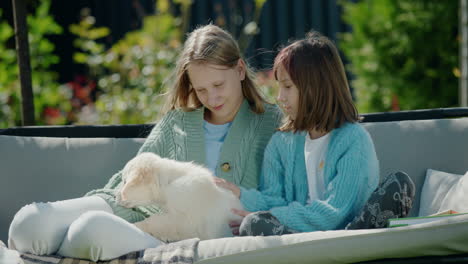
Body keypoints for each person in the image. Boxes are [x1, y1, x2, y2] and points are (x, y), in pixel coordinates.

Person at [8, 24, 282, 261]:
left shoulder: (273, 123)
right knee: (28, 224)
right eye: (201, 89)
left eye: (218, 85)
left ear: (241, 70)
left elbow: (284, 196)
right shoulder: (177, 122)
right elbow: (131, 178)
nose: (211, 97)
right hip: (128, 208)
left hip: (176, 236)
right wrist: (114, 199)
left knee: (90, 230)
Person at [216, 31, 415, 236]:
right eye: (278, 87)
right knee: (253, 223)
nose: (279, 97)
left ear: (315, 88)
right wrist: (242, 196)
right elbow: (274, 200)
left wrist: (272, 217)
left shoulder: (354, 140)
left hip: (347, 233)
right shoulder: (280, 143)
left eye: (287, 86)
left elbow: (336, 212)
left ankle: (351, 246)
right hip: (298, 237)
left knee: (399, 184)